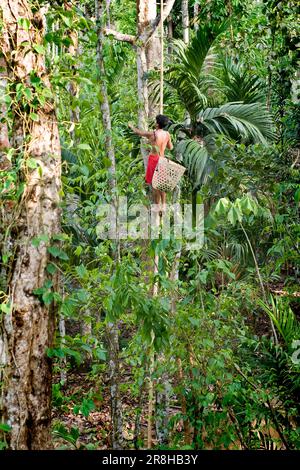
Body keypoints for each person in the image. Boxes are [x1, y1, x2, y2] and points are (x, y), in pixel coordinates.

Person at [128, 115, 173, 214]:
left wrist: (131, 126)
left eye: (155, 121)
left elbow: (139, 132)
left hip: (154, 159)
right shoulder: (167, 134)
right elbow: (171, 147)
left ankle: (157, 207)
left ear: (157, 124)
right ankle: (164, 205)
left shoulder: (153, 134)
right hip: (162, 159)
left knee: (155, 185)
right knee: (161, 183)